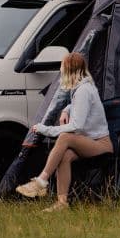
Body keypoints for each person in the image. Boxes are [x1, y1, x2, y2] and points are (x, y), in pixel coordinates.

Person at [16, 52, 112, 211]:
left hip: (101, 145)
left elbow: (76, 126)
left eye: (63, 70)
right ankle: (62, 203)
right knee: (65, 156)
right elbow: (80, 106)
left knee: (65, 137)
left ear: (69, 71)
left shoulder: (83, 91)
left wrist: (45, 129)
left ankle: (41, 181)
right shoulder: (83, 88)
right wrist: (66, 110)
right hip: (89, 142)